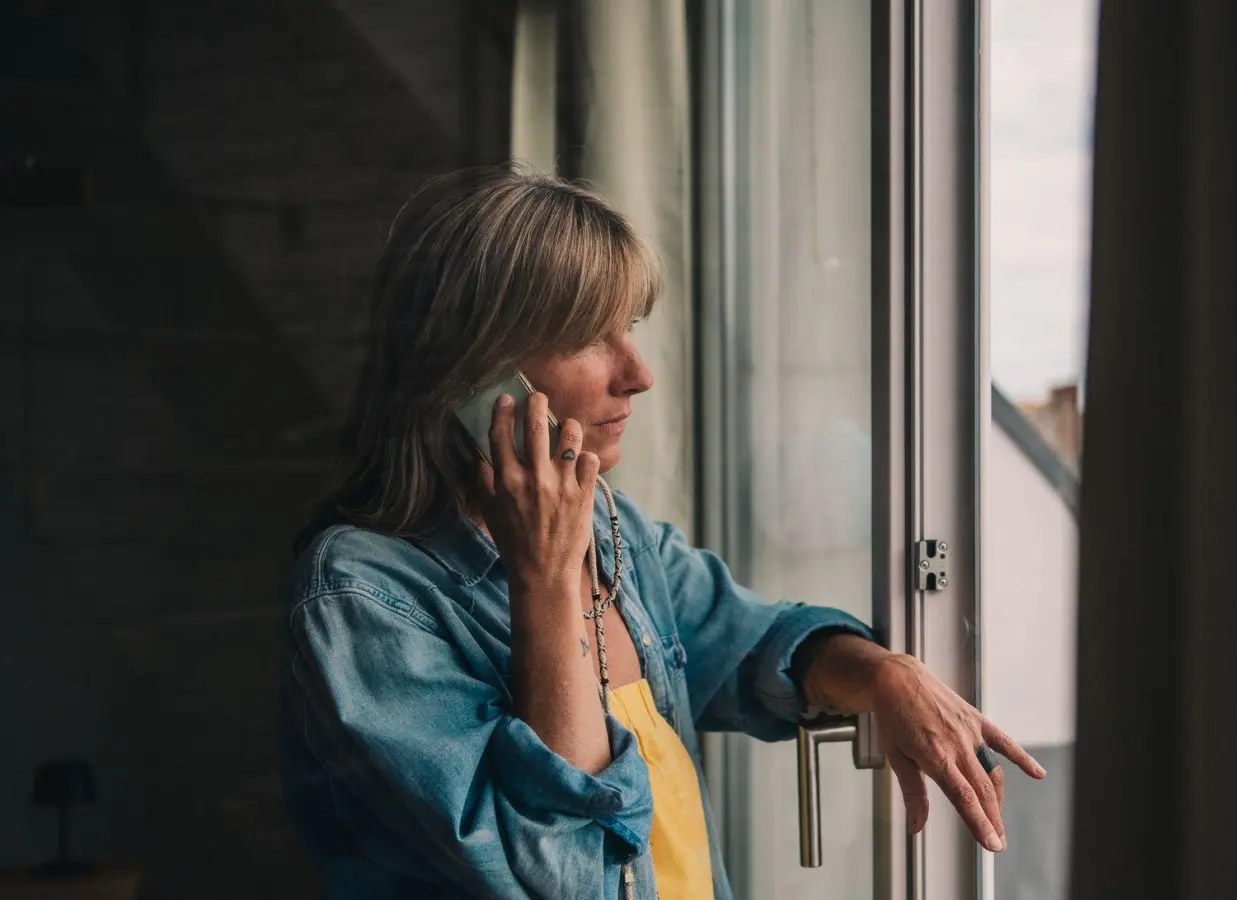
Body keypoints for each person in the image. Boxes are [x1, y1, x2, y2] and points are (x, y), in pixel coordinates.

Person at [279, 167, 1045, 900]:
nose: (638, 373)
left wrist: (885, 675)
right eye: (587, 336)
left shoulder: (615, 532)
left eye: (631, 328)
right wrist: (544, 581)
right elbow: (564, 877)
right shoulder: (363, 596)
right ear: (476, 378)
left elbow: (751, 642)